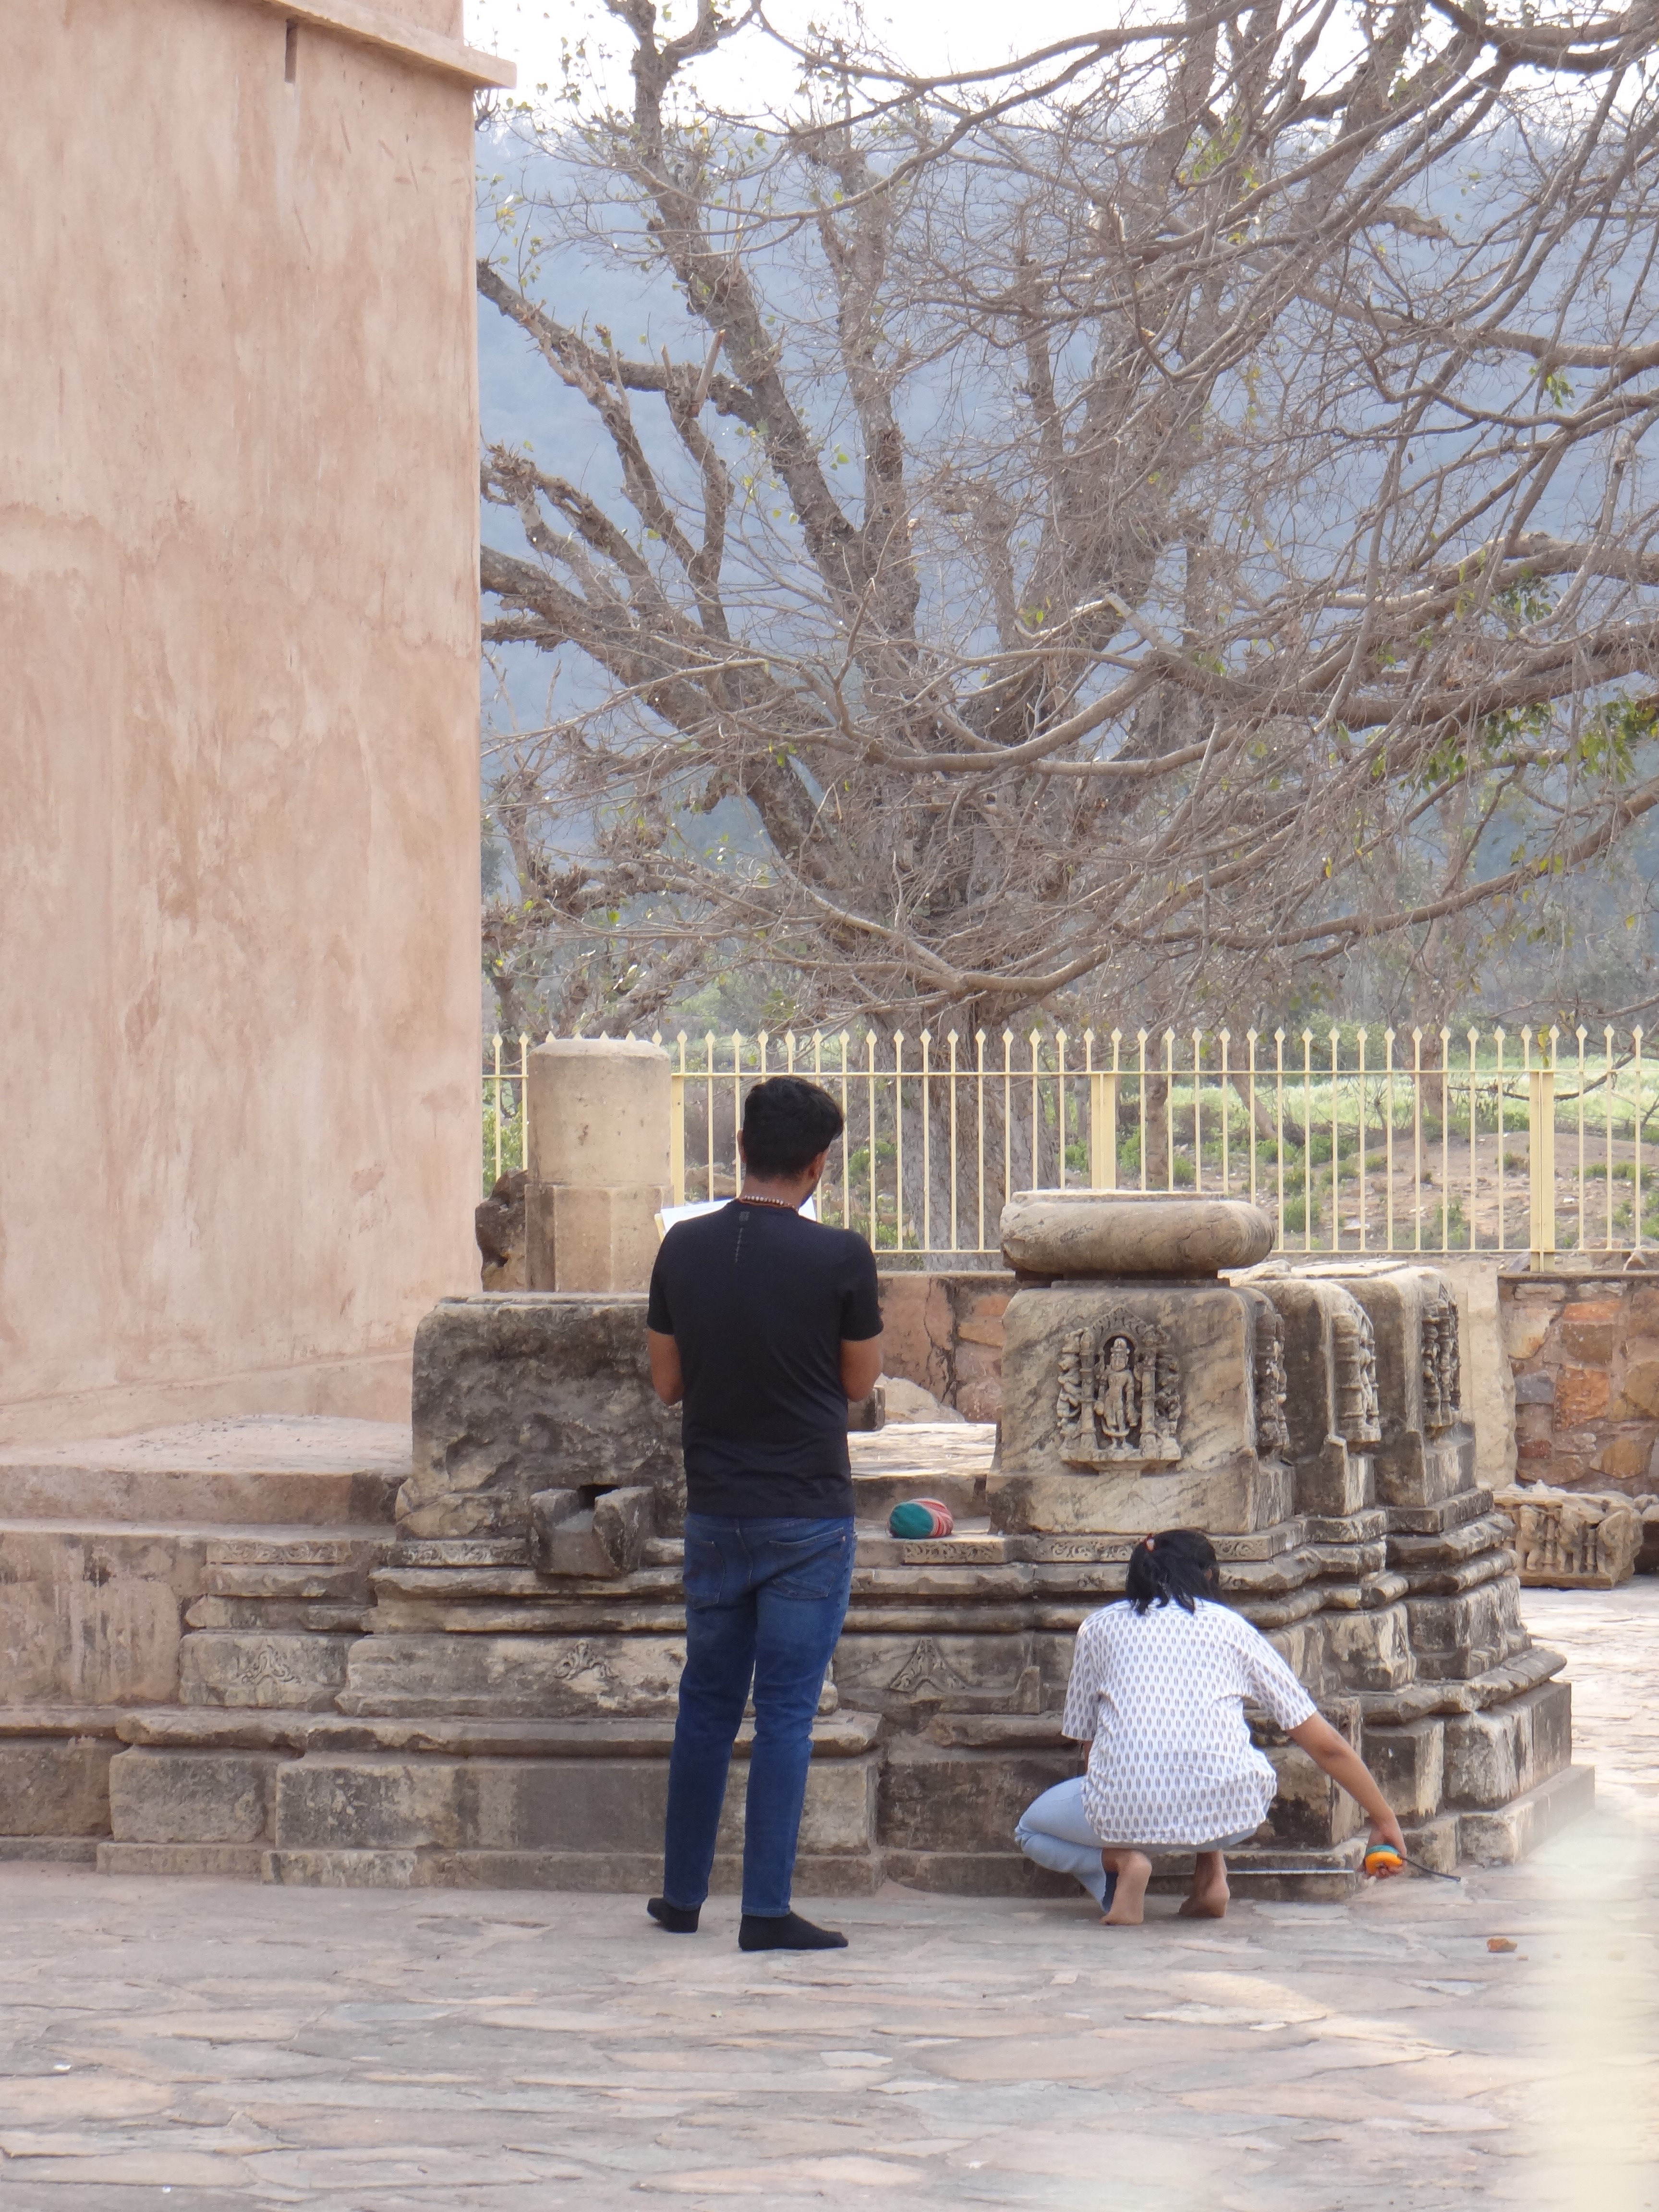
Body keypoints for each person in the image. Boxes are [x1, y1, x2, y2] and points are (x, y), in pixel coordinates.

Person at [644, 1075, 883, 1952]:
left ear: (741, 1146)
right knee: (785, 1709)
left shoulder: (682, 1249)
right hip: (807, 1511)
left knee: (705, 1699)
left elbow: (667, 1383)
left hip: (716, 1506)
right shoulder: (841, 1257)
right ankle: (766, 1907)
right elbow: (860, 1382)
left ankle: (680, 1894)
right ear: (819, 1163)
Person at [1015, 1528, 1407, 1924]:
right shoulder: (1232, 1628)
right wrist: (1383, 1818)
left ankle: (1122, 1862)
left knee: (1031, 1830)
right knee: (1215, 1749)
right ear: (1207, 1576)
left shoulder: (1098, 1628)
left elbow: (1088, 1745)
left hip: (1124, 1809)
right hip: (1231, 1811)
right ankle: (1211, 1878)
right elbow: (1327, 1747)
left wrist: (1127, 1818)